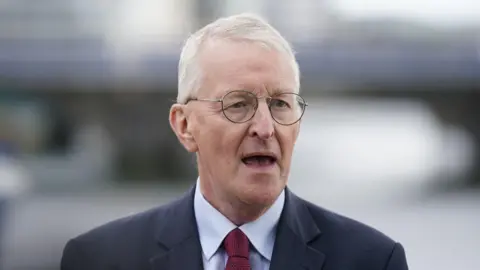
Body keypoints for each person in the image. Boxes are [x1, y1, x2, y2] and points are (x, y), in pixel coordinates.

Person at [61, 13, 409, 270]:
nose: (265, 128)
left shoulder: (373, 261)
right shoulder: (99, 259)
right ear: (184, 126)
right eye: (239, 104)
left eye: (280, 104)